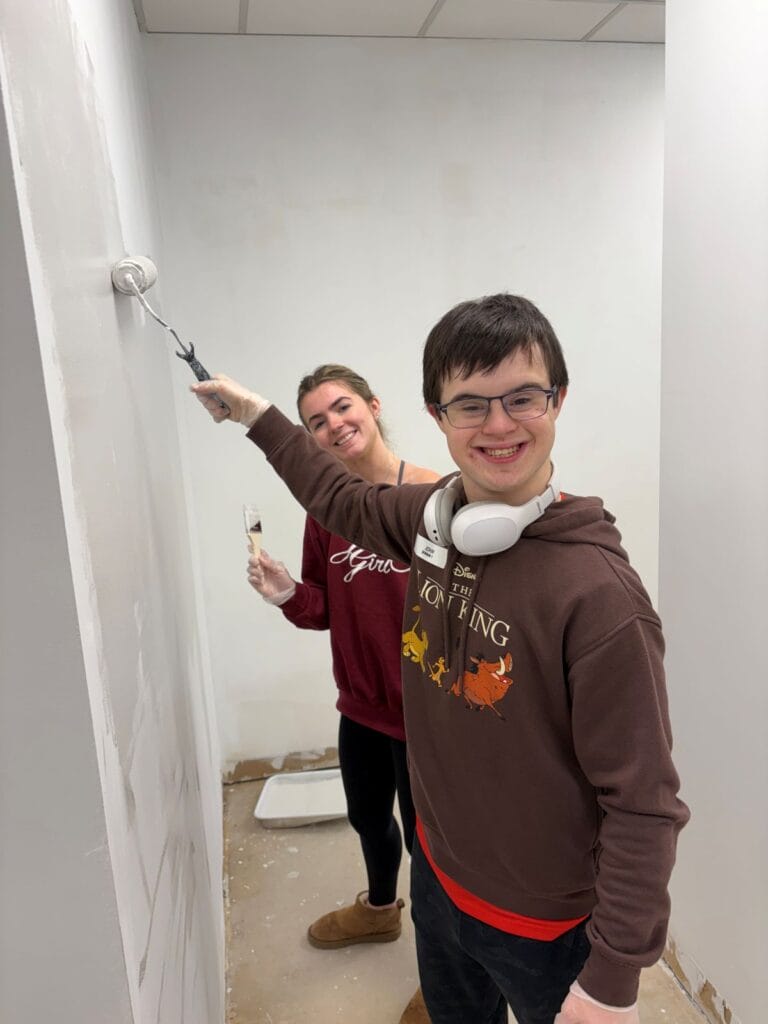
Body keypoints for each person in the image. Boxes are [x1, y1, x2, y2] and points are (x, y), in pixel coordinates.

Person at [194, 294, 689, 1024]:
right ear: (437, 415)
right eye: (470, 404)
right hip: (440, 882)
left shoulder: (600, 599)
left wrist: (612, 981)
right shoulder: (435, 524)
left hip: (544, 928)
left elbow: (645, 806)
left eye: (522, 396)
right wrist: (255, 415)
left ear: (558, 399)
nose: (497, 424)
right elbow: (337, 495)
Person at [247, 365, 438, 1018]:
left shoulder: (435, 496)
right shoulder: (324, 512)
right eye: (316, 421)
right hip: (361, 708)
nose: (333, 425)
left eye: (342, 406)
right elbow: (322, 606)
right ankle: (381, 911)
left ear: (374, 406)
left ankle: (450, 985)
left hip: (432, 718)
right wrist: (284, 595)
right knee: (366, 817)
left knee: (435, 857)